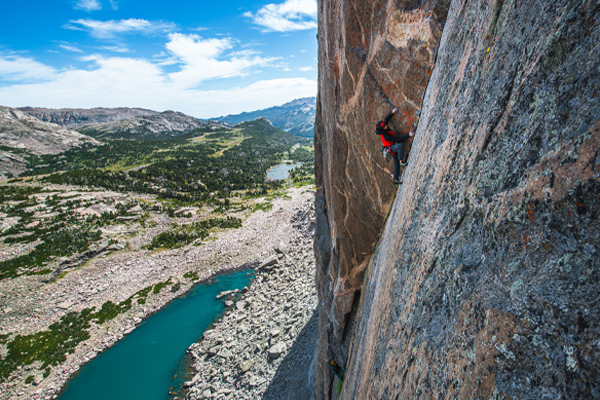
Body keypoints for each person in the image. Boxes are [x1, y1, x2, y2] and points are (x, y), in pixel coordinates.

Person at [376, 108, 414, 184]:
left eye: (385, 124)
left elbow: (386, 118)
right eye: (384, 126)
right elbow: (398, 139)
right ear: (382, 129)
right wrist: (408, 135)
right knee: (400, 146)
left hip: (390, 147)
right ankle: (401, 161)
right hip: (390, 148)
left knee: (395, 162)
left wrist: (392, 112)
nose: (386, 126)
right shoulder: (386, 135)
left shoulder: (384, 127)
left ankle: (395, 179)